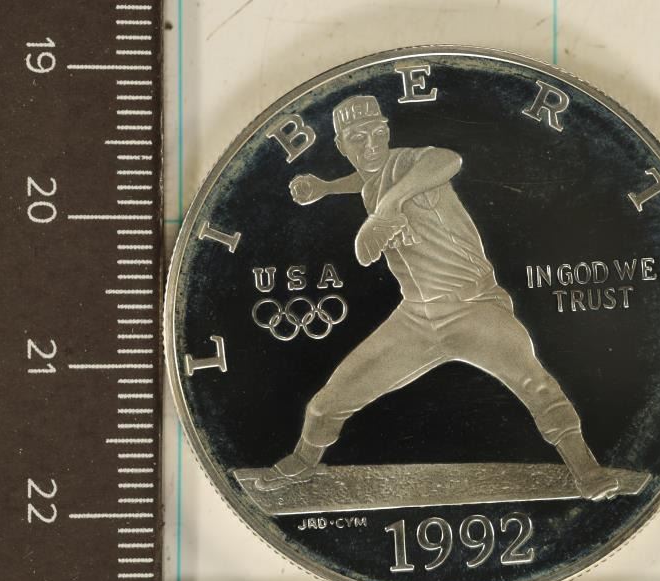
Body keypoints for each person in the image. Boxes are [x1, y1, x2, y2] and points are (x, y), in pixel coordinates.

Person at [254, 94, 619, 501]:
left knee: (536, 384)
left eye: (377, 133)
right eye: (358, 139)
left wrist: (388, 208)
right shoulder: (377, 174)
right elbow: (367, 177)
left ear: (387, 131)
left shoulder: (413, 165)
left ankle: (587, 470)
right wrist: (326, 187)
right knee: (326, 404)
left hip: (473, 308)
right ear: (341, 146)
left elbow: (448, 160)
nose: (371, 145)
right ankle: (304, 461)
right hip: (415, 319)